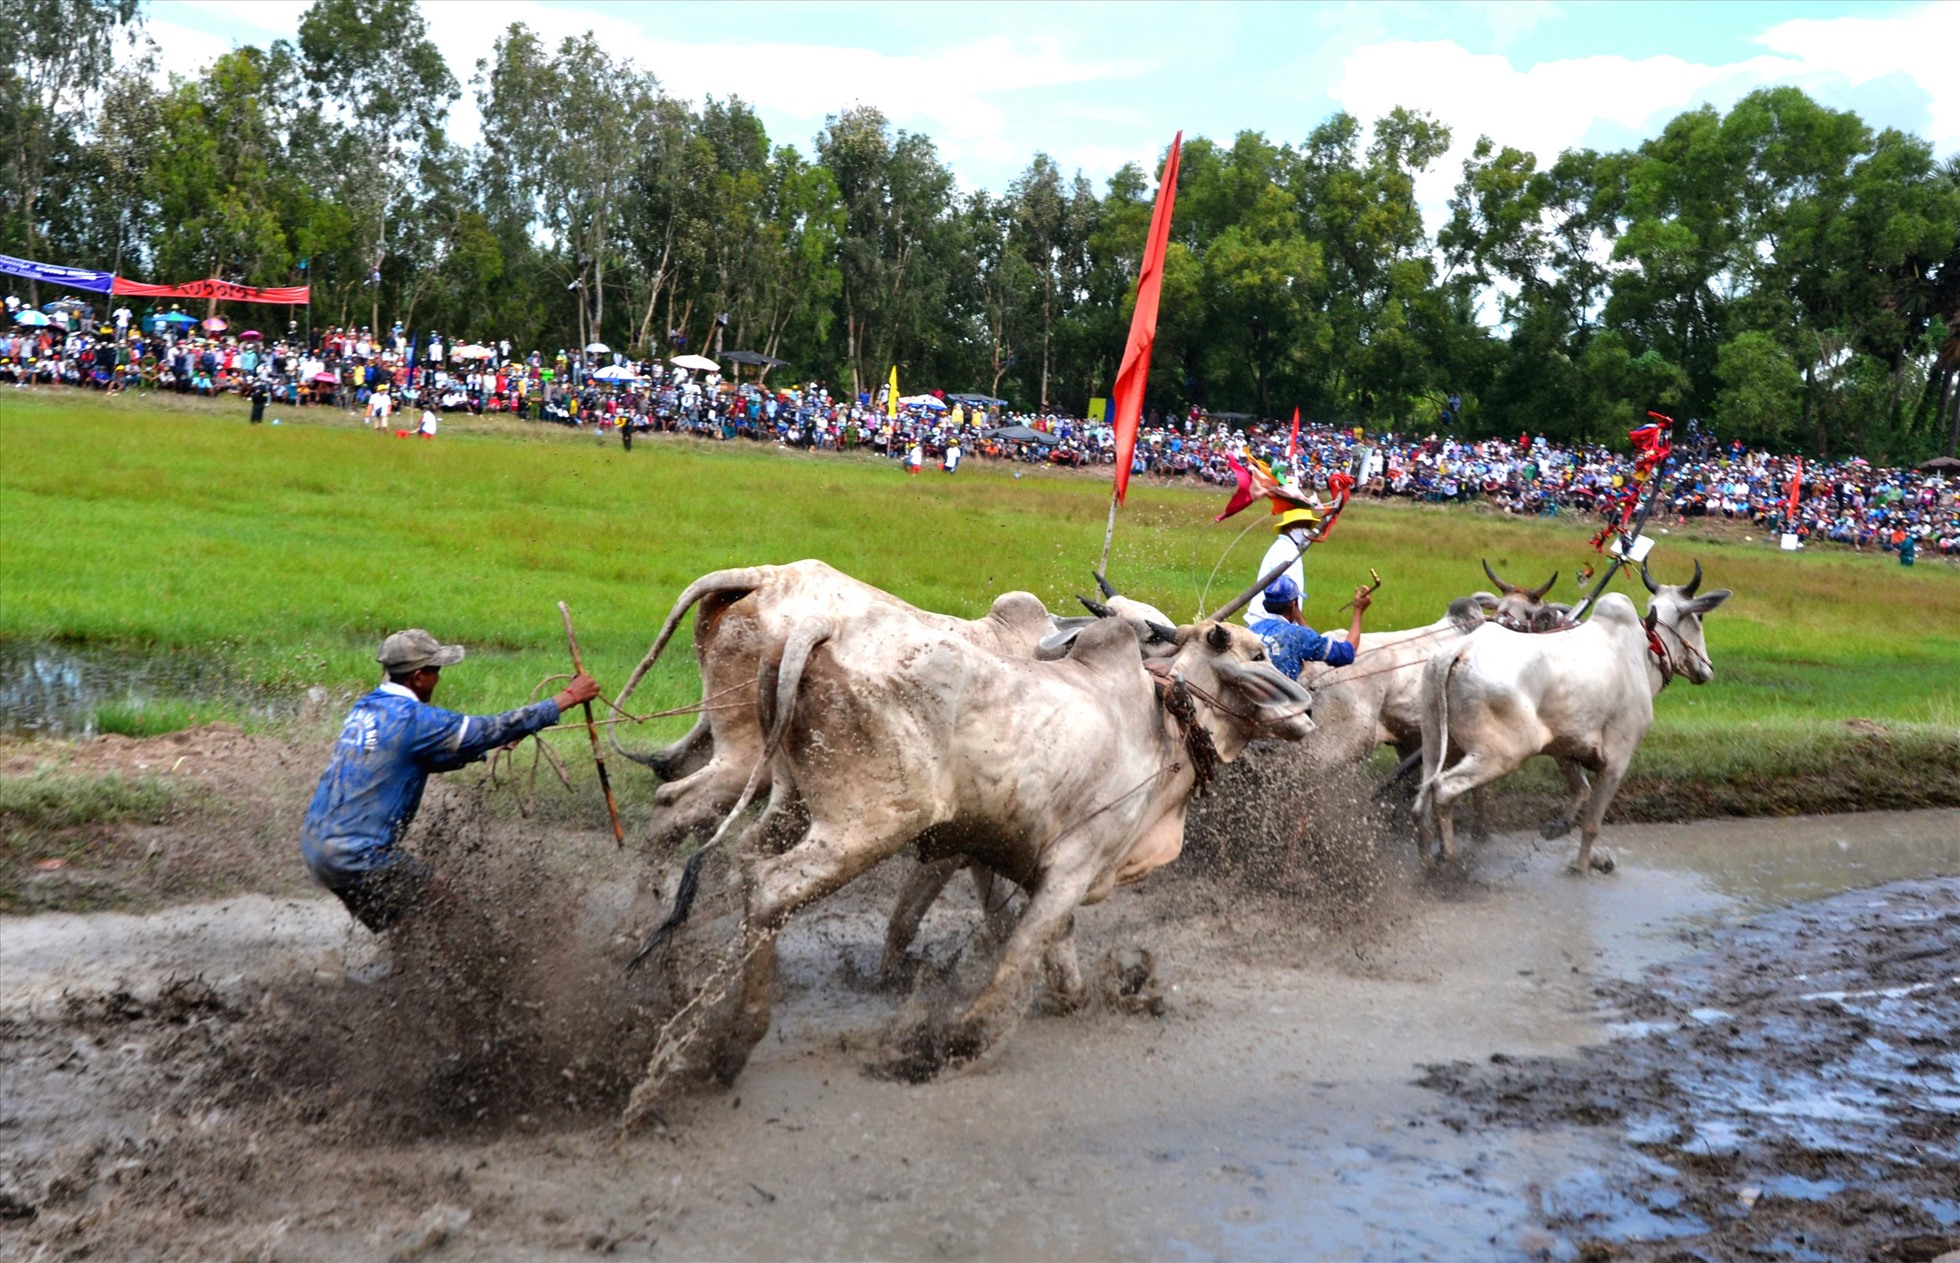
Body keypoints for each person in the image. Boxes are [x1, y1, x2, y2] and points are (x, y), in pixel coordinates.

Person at [300, 629, 600, 934]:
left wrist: (485, 748)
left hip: (318, 850)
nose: (438, 679)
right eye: (436, 672)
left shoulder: (366, 709)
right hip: (358, 854)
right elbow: (489, 728)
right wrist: (567, 698)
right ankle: (488, 971)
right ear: (418, 677)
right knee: (452, 911)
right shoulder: (413, 718)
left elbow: (422, 757)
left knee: (405, 922)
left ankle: (395, 978)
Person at [1248, 575, 1372, 679]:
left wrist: (1299, 618)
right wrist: (1358, 611)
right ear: (1293, 604)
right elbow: (1346, 653)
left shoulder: (1251, 630)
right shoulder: (1297, 635)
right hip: (1281, 705)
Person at [1242, 507, 1320, 626]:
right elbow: (1285, 594)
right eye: (1301, 526)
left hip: (1270, 620)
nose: (1305, 530)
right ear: (1289, 527)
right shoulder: (1285, 551)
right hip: (1268, 620)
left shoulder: (1289, 549)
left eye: (1307, 526)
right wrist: (1298, 623)